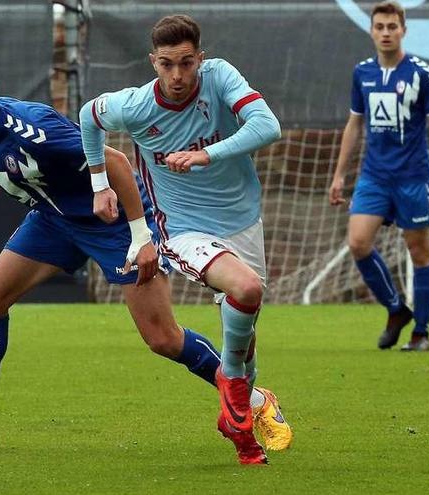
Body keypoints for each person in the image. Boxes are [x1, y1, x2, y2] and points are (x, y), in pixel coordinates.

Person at [0, 59, 290, 460]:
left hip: (115, 223)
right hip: (55, 221)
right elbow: (2, 162)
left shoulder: (34, 129)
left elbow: (118, 163)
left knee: (163, 338)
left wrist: (142, 236)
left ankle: (257, 400)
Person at [79, 15, 286, 464]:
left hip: (244, 220)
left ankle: (242, 415)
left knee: (246, 336)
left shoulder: (219, 76)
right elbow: (87, 117)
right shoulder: (134, 105)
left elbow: (268, 127)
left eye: (186, 63)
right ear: (153, 62)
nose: (177, 75)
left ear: (200, 60)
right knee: (246, 289)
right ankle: (234, 395)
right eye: (167, 64)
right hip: (183, 228)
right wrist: (100, 184)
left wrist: (205, 154)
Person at [329, 1, 429, 352]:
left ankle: (422, 332)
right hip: (374, 176)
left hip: (413, 178)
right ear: (371, 31)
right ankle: (396, 309)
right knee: (358, 243)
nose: (386, 32)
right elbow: (354, 124)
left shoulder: (421, 74)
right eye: (380, 27)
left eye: (392, 27)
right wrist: (339, 175)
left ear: (404, 30)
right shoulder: (363, 73)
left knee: (419, 251)